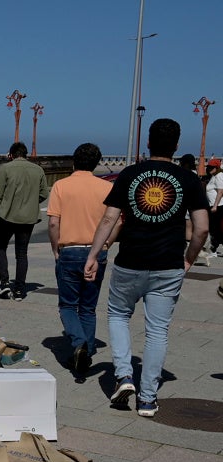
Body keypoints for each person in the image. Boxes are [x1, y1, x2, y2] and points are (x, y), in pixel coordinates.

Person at [83, 118, 209, 418]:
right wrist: (189, 258)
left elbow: (109, 218)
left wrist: (94, 254)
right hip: (168, 265)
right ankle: (148, 399)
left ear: (149, 142)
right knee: (157, 331)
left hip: (130, 262)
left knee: (118, 315)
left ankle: (124, 375)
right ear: (176, 145)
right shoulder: (189, 179)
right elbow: (202, 228)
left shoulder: (129, 174)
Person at [46, 142, 118, 379]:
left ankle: (79, 343)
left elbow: (53, 223)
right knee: (88, 307)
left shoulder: (61, 186)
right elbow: (117, 222)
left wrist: (56, 249)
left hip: (70, 250)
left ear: (74, 161)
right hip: (97, 252)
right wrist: (106, 244)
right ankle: (86, 352)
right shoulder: (106, 187)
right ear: (96, 164)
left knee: (68, 305)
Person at [0, 141, 50, 301]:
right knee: (21, 253)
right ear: (25, 154)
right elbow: (44, 194)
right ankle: (19, 290)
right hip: (28, 219)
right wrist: (30, 203)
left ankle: (5, 283)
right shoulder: (38, 170)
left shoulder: (5, 169)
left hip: (7, 216)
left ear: (11, 155)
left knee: (0, 248)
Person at [205, 158, 223, 254]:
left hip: (217, 206)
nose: (209, 169)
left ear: (217, 168)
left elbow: (220, 191)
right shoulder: (214, 176)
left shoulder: (219, 176)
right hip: (213, 206)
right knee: (215, 228)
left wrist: (215, 206)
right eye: (208, 167)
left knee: (215, 228)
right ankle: (213, 248)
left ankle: (214, 250)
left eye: (211, 167)